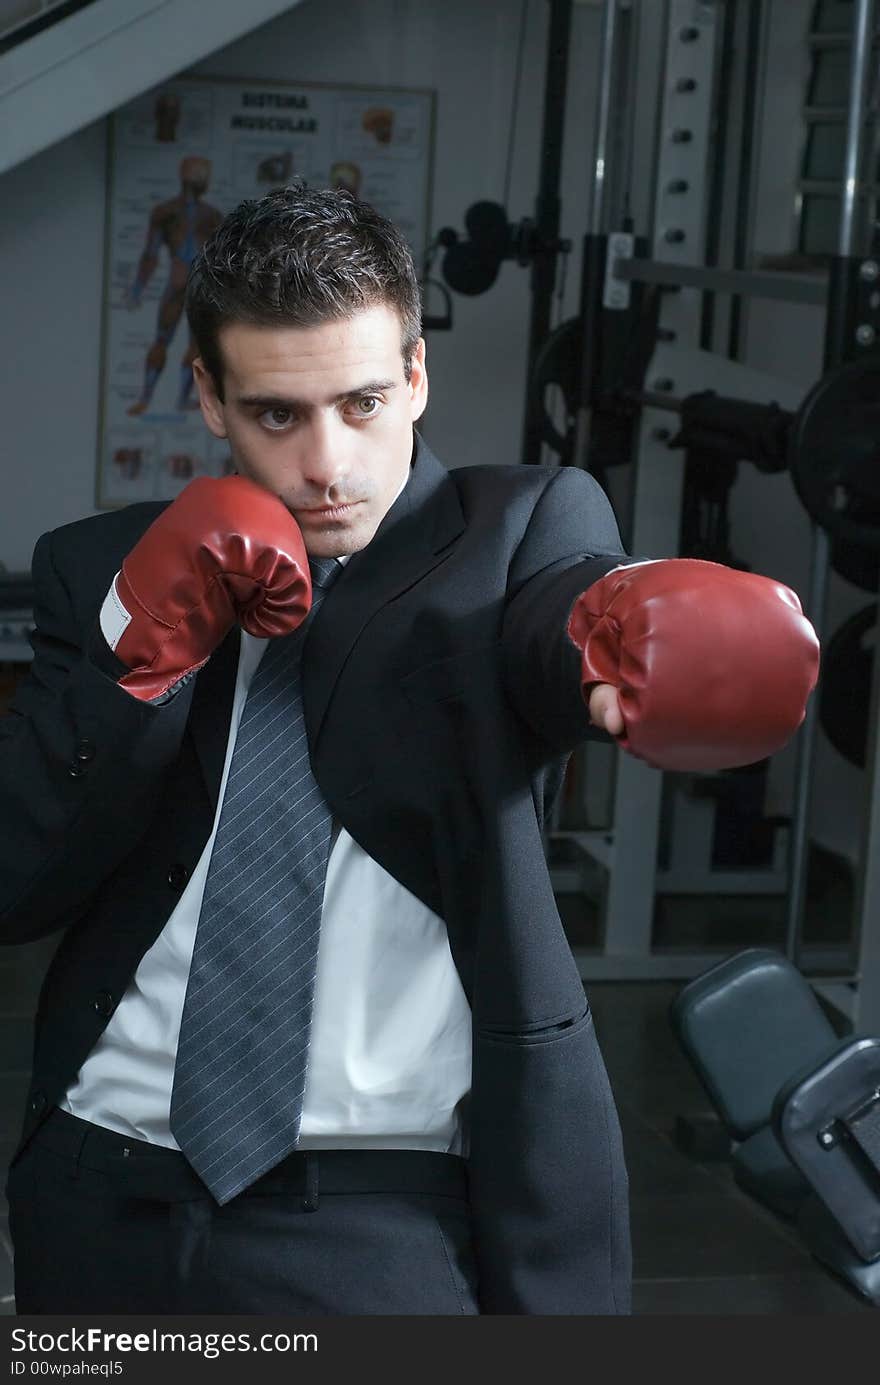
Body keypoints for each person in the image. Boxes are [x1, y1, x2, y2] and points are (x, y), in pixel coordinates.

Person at [1, 183, 819, 1315]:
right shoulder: (98, 568)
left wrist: (631, 620)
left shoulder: (516, 533)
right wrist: (133, 663)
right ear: (209, 397)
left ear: (418, 376)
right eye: (279, 414)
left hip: (375, 1217)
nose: (329, 463)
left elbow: (556, 615)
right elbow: (18, 876)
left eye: (365, 401)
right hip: (101, 1188)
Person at [124, 155, 224, 416]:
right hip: (184, 285)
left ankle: (176, 399)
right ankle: (149, 398)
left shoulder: (210, 216)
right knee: (166, 342)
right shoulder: (169, 213)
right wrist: (137, 288)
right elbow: (150, 254)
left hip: (196, 286)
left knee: (194, 347)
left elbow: (220, 259)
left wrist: (137, 288)